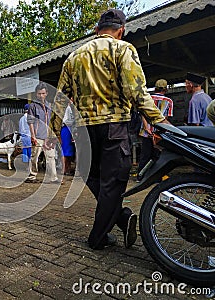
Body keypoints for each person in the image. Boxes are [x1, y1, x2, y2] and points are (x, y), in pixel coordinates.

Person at [50, 9, 167, 250]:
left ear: (96, 30)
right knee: (112, 183)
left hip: (84, 130)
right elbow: (137, 93)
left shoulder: (73, 57)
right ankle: (99, 237)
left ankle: (121, 218)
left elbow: (59, 100)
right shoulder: (124, 49)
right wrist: (160, 121)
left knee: (92, 176)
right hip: (114, 125)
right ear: (121, 31)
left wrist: (52, 131)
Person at [137, 79, 173, 182]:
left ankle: (141, 176)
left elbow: (142, 113)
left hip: (146, 132)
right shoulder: (168, 101)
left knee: (145, 155)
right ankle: (155, 177)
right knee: (157, 155)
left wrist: (146, 127)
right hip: (160, 133)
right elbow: (165, 118)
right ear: (165, 89)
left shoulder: (148, 98)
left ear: (155, 88)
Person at [26, 82, 60, 184]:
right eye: (39, 93)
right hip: (37, 136)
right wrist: (33, 136)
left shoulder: (50, 106)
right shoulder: (32, 106)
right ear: (36, 94)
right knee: (34, 157)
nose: (41, 95)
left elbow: (53, 121)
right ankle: (32, 176)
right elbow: (30, 122)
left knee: (51, 157)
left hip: (48, 137)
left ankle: (53, 178)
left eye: (43, 93)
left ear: (46, 94)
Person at [60, 98, 75, 176]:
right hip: (67, 129)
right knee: (65, 151)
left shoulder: (73, 107)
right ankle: (64, 169)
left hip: (71, 129)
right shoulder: (68, 108)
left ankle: (68, 169)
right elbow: (65, 121)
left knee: (70, 151)